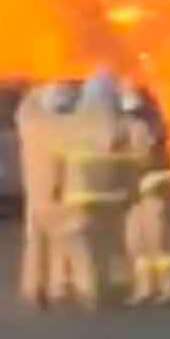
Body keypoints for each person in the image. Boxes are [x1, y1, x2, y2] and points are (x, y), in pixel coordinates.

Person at [52, 69, 144, 311]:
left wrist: (57, 190)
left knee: (89, 245)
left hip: (80, 195)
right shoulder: (121, 125)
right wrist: (133, 193)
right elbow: (131, 163)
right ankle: (119, 290)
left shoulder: (72, 126)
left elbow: (60, 160)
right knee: (114, 243)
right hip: (114, 196)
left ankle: (93, 291)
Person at [17, 81, 78, 310]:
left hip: (36, 194)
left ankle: (35, 287)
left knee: (36, 242)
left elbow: (24, 110)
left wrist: (35, 93)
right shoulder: (68, 130)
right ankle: (59, 286)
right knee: (64, 239)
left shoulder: (31, 126)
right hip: (62, 191)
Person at [125, 169, 170, 306]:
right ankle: (146, 291)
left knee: (161, 251)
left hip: (150, 204)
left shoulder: (153, 174)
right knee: (141, 253)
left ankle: (168, 292)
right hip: (142, 204)